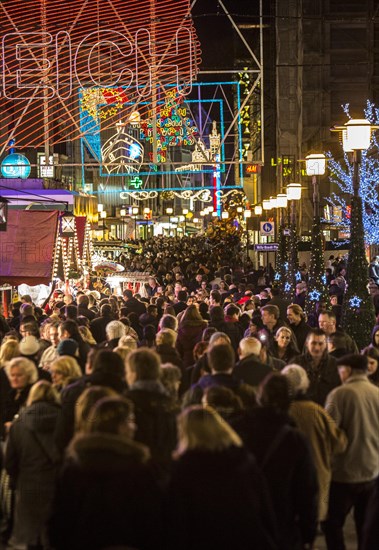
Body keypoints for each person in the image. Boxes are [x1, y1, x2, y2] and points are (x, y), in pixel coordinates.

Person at [50, 396, 163, 550]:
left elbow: (61, 516)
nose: (134, 427)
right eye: (130, 421)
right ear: (118, 425)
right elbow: (152, 518)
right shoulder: (137, 466)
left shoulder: (74, 465)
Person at [166, 406, 278, 550]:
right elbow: (264, 508)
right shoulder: (243, 462)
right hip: (245, 540)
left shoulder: (184, 469)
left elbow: (178, 519)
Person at [234, 373, 319, 550]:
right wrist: (307, 534)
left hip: (242, 523)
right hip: (282, 526)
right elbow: (307, 491)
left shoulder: (237, 429)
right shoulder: (294, 440)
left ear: (260, 397)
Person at [324, 354, 379, 550]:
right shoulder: (376, 393)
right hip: (371, 470)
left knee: (331, 522)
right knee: (366, 524)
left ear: (346, 370)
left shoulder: (339, 395)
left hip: (344, 472)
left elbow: (328, 432)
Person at [282, 364, 348, 521]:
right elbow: (340, 442)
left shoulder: (277, 410)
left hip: (284, 480)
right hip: (315, 476)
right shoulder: (316, 412)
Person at [5, 381, 61, 550]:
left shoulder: (19, 422)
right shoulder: (62, 418)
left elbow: (10, 459)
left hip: (28, 481)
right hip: (54, 480)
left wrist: (15, 478)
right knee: (52, 531)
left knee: (30, 535)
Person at [54, 349, 126, 451]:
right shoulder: (126, 391)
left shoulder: (74, 391)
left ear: (90, 366)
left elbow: (62, 433)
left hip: (80, 453)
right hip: (118, 454)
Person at [125, 348, 177, 465]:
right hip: (164, 468)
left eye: (127, 371)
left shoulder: (127, 403)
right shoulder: (170, 403)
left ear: (134, 373)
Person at [290, 328, 341, 405]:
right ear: (307, 343)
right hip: (303, 410)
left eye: (320, 344)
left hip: (327, 411)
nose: (317, 348)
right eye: (313, 343)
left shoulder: (335, 365)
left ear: (326, 344)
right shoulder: (296, 363)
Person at [176, 304, 207, 368]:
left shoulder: (181, 329)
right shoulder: (203, 326)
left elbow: (178, 349)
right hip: (201, 360)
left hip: (187, 361)